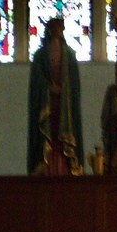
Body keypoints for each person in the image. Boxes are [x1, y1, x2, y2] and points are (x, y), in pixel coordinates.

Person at [27, 17, 84, 176]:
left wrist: (64, 91)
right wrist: (48, 88)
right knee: (48, 134)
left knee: (64, 133)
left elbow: (74, 83)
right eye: (54, 28)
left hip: (65, 105)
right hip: (47, 103)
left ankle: (67, 167)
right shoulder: (40, 55)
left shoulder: (70, 55)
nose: (58, 31)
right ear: (49, 30)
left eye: (60, 28)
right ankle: (45, 166)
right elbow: (37, 80)